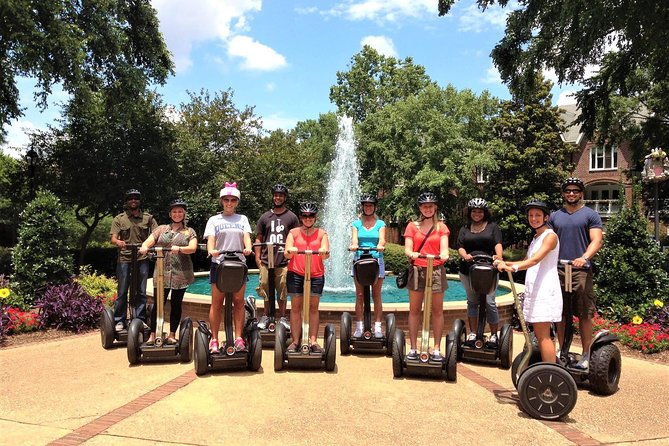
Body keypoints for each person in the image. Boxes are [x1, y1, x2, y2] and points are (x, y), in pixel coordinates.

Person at [495, 200, 562, 363]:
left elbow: (535, 260)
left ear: (546, 217)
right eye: (531, 215)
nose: (534, 218)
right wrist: (503, 262)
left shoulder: (550, 237)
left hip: (546, 290)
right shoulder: (536, 237)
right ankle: (546, 371)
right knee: (539, 335)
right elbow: (526, 259)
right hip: (535, 289)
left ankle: (550, 376)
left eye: (538, 215)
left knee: (543, 335)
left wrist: (513, 268)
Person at [549, 177, 603, 369]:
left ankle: (586, 354)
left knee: (584, 313)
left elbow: (596, 240)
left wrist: (585, 257)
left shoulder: (590, 215)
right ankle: (561, 350)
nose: (571, 194)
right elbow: (548, 241)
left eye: (575, 191)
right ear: (563, 193)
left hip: (581, 270)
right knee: (561, 313)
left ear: (581, 193)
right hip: (559, 269)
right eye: (568, 191)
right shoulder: (555, 216)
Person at [139, 199, 197, 345]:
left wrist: (180, 249)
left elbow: (193, 248)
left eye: (180, 212)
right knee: (158, 303)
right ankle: (153, 335)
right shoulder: (161, 229)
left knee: (176, 304)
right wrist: (145, 247)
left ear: (183, 214)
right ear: (170, 214)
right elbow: (149, 241)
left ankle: (172, 335)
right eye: (174, 212)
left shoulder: (189, 231)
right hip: (161, 273)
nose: (177, 214)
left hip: (181, 274)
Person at [203, 182, 253, 354]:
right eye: (226, 200)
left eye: (232, 200)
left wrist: (248, 248)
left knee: (239, 302)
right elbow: (211, 239)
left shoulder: (243, 219)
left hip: (238, 265)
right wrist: (211, 250)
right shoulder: (214, 220)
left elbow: (247, 237)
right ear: (222, 201)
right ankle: (214, 339)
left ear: (237, 202)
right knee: (217, 303)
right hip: (220, 264)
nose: (229, 203)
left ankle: (239, 338)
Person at [403, 192, 450, 361]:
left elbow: (444, 248)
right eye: (424, 206)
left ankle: (436, 348)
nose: (428, 209)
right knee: (414, 310)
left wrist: (444, 254)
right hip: (417, 270)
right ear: (420, 208)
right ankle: (414, 348)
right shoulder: (412, 226)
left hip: (436, 271)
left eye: (431, 206)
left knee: (437, 311)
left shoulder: (441, 227)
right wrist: (412, 253)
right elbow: (407, 249)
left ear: (435, 207)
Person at [457, 198, 504, 347]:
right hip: (468, 270)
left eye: (480, 211)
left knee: (489, 302)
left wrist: (499, 257)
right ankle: (473, 333)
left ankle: (494, 335)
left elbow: (498, 244)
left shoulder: (492, 227)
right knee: (472, 301)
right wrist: (465, 256)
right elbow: (460, 246)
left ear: (485, 213)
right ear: (469, 213)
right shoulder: (465, 228)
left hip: (488, 270)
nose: (477, 214)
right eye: (474, 211)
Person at [284, 202, 330, 353]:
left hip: (316, 274)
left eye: (311, 216)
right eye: (305, 216)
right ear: (301, 217)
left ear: (315, 218)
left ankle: (313, 341)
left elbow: (326, 253)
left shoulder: (322, 233)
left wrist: (323, 251)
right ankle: (296, 341)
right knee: (296, 308)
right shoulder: (294, 233)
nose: (308, 218)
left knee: (313, 308)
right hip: (296, 273)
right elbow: (286, 253)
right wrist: (291, 250)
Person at [110, 189, 157, 331]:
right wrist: (118, 242)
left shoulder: (148, 218)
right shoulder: (120, 219)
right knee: (123, 290)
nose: (133, 201)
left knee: (141, 291)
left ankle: (140, 319)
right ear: (126, 201)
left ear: (139, 201)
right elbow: (113, 238)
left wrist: (150, 245)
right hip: (125, 258)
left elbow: (156, 234)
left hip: (142, 258)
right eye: (130, 198)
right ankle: (119, 320)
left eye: (136, 198)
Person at [254, 184, 299, 331]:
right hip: (267, 260)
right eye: (275, 195)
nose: (277, 197)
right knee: (265, 289)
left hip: (283, 261)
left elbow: (295, 238)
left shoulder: (291, 217)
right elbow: (259, 238)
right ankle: (266, 315)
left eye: (280, 195)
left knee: (283, 290)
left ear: (285, 197)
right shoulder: (265, 217)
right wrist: (258, 258)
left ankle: (283, 317)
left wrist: (293, 258)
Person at [349, 193, 386, 338]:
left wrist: (380, 245)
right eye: (366, 205)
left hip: (376, 260)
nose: (368, 207)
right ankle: (359, 327)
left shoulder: (380, 224)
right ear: (363, 207)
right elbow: (354, 239)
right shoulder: (356, 223)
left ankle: (377, 327)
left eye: (370, 205)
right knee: (359, 295)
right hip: (359, 259)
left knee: (376, 295)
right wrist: (354, 245)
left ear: (374, 207)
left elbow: (382, 239)